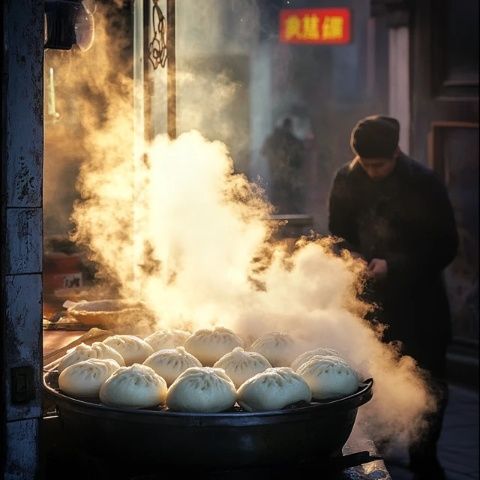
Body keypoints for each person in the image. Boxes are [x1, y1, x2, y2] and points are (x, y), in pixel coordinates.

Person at [328, 115, 458, 479]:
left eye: (379, 165)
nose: (372, 171)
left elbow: (445, 245)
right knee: (371, 382)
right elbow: (337, 233)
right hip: (369, 303)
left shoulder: (424, 183)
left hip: (421, 305)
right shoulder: (346, 178)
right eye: (365, 165)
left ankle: (425, 458)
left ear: (396, 153)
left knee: (429, 384)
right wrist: (350, 255)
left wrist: (395, 266)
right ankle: (373, 455)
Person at [262, 117, 306, 213]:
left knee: (286, 198)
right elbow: (264, 152)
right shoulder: (287, 140)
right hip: (283, 175)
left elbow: (264, 152)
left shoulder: (276, 140)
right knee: (286, 198)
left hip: (285, 175)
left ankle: (282, 214)